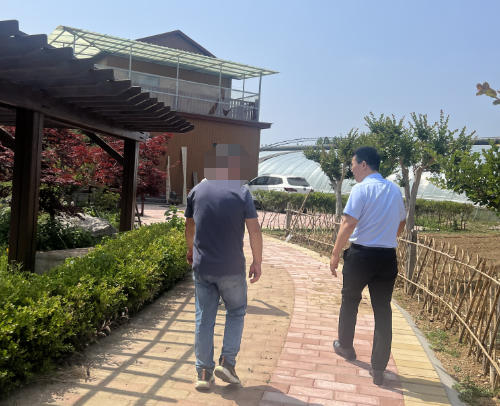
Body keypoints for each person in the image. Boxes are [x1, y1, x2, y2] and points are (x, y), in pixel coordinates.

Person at [184, 144, 263, 390]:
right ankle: (227, 363)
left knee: (204, 318)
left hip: (203, 267)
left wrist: (190, 250)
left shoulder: (196, 191)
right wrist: (257, 261)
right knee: (236, 311)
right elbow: (254, 229)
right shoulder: (241, 191)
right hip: (232, 268)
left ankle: (203, 372)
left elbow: (189, 227)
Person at [329, 146, 406, 386]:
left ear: (364, 164)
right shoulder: (394, 190)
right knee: (382, 310)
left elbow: (348, 224)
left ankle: (345, 347)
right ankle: (379, 368)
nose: (351, 169)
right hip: (386, 258)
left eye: (353, 164)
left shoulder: (360, 189)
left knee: (350, 300)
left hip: (361, 256)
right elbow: (402, 222)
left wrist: (335, 253)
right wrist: (387, 237)